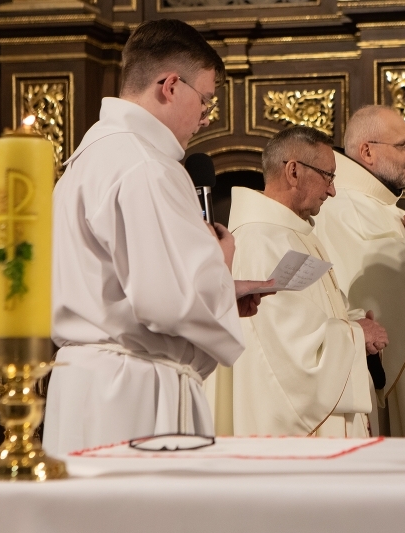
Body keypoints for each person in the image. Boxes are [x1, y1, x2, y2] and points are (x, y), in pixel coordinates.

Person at [44, 19, 270, 454]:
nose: (206, 117)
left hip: (86, 386)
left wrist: (222, 293)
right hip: (135, 396)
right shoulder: (146, 165)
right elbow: (170, 303)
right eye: (205, 99)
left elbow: (130, 283)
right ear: (170, 85)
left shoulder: (89, 156)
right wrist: (220, 260)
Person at [223, 126, 388, 437]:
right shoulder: (260, 241)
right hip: (288, 431)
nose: (332, 191)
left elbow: (313, 316)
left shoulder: (291, 233)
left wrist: (354, 324)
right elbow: (288, 355)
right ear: (294, 171)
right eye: (328, 176)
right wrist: (356, 335)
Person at [314, 105, 405, 438]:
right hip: (389, 376)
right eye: (403, 145)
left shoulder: (382, 207)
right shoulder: (341, 208)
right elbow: (371, 289)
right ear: (367, 151)